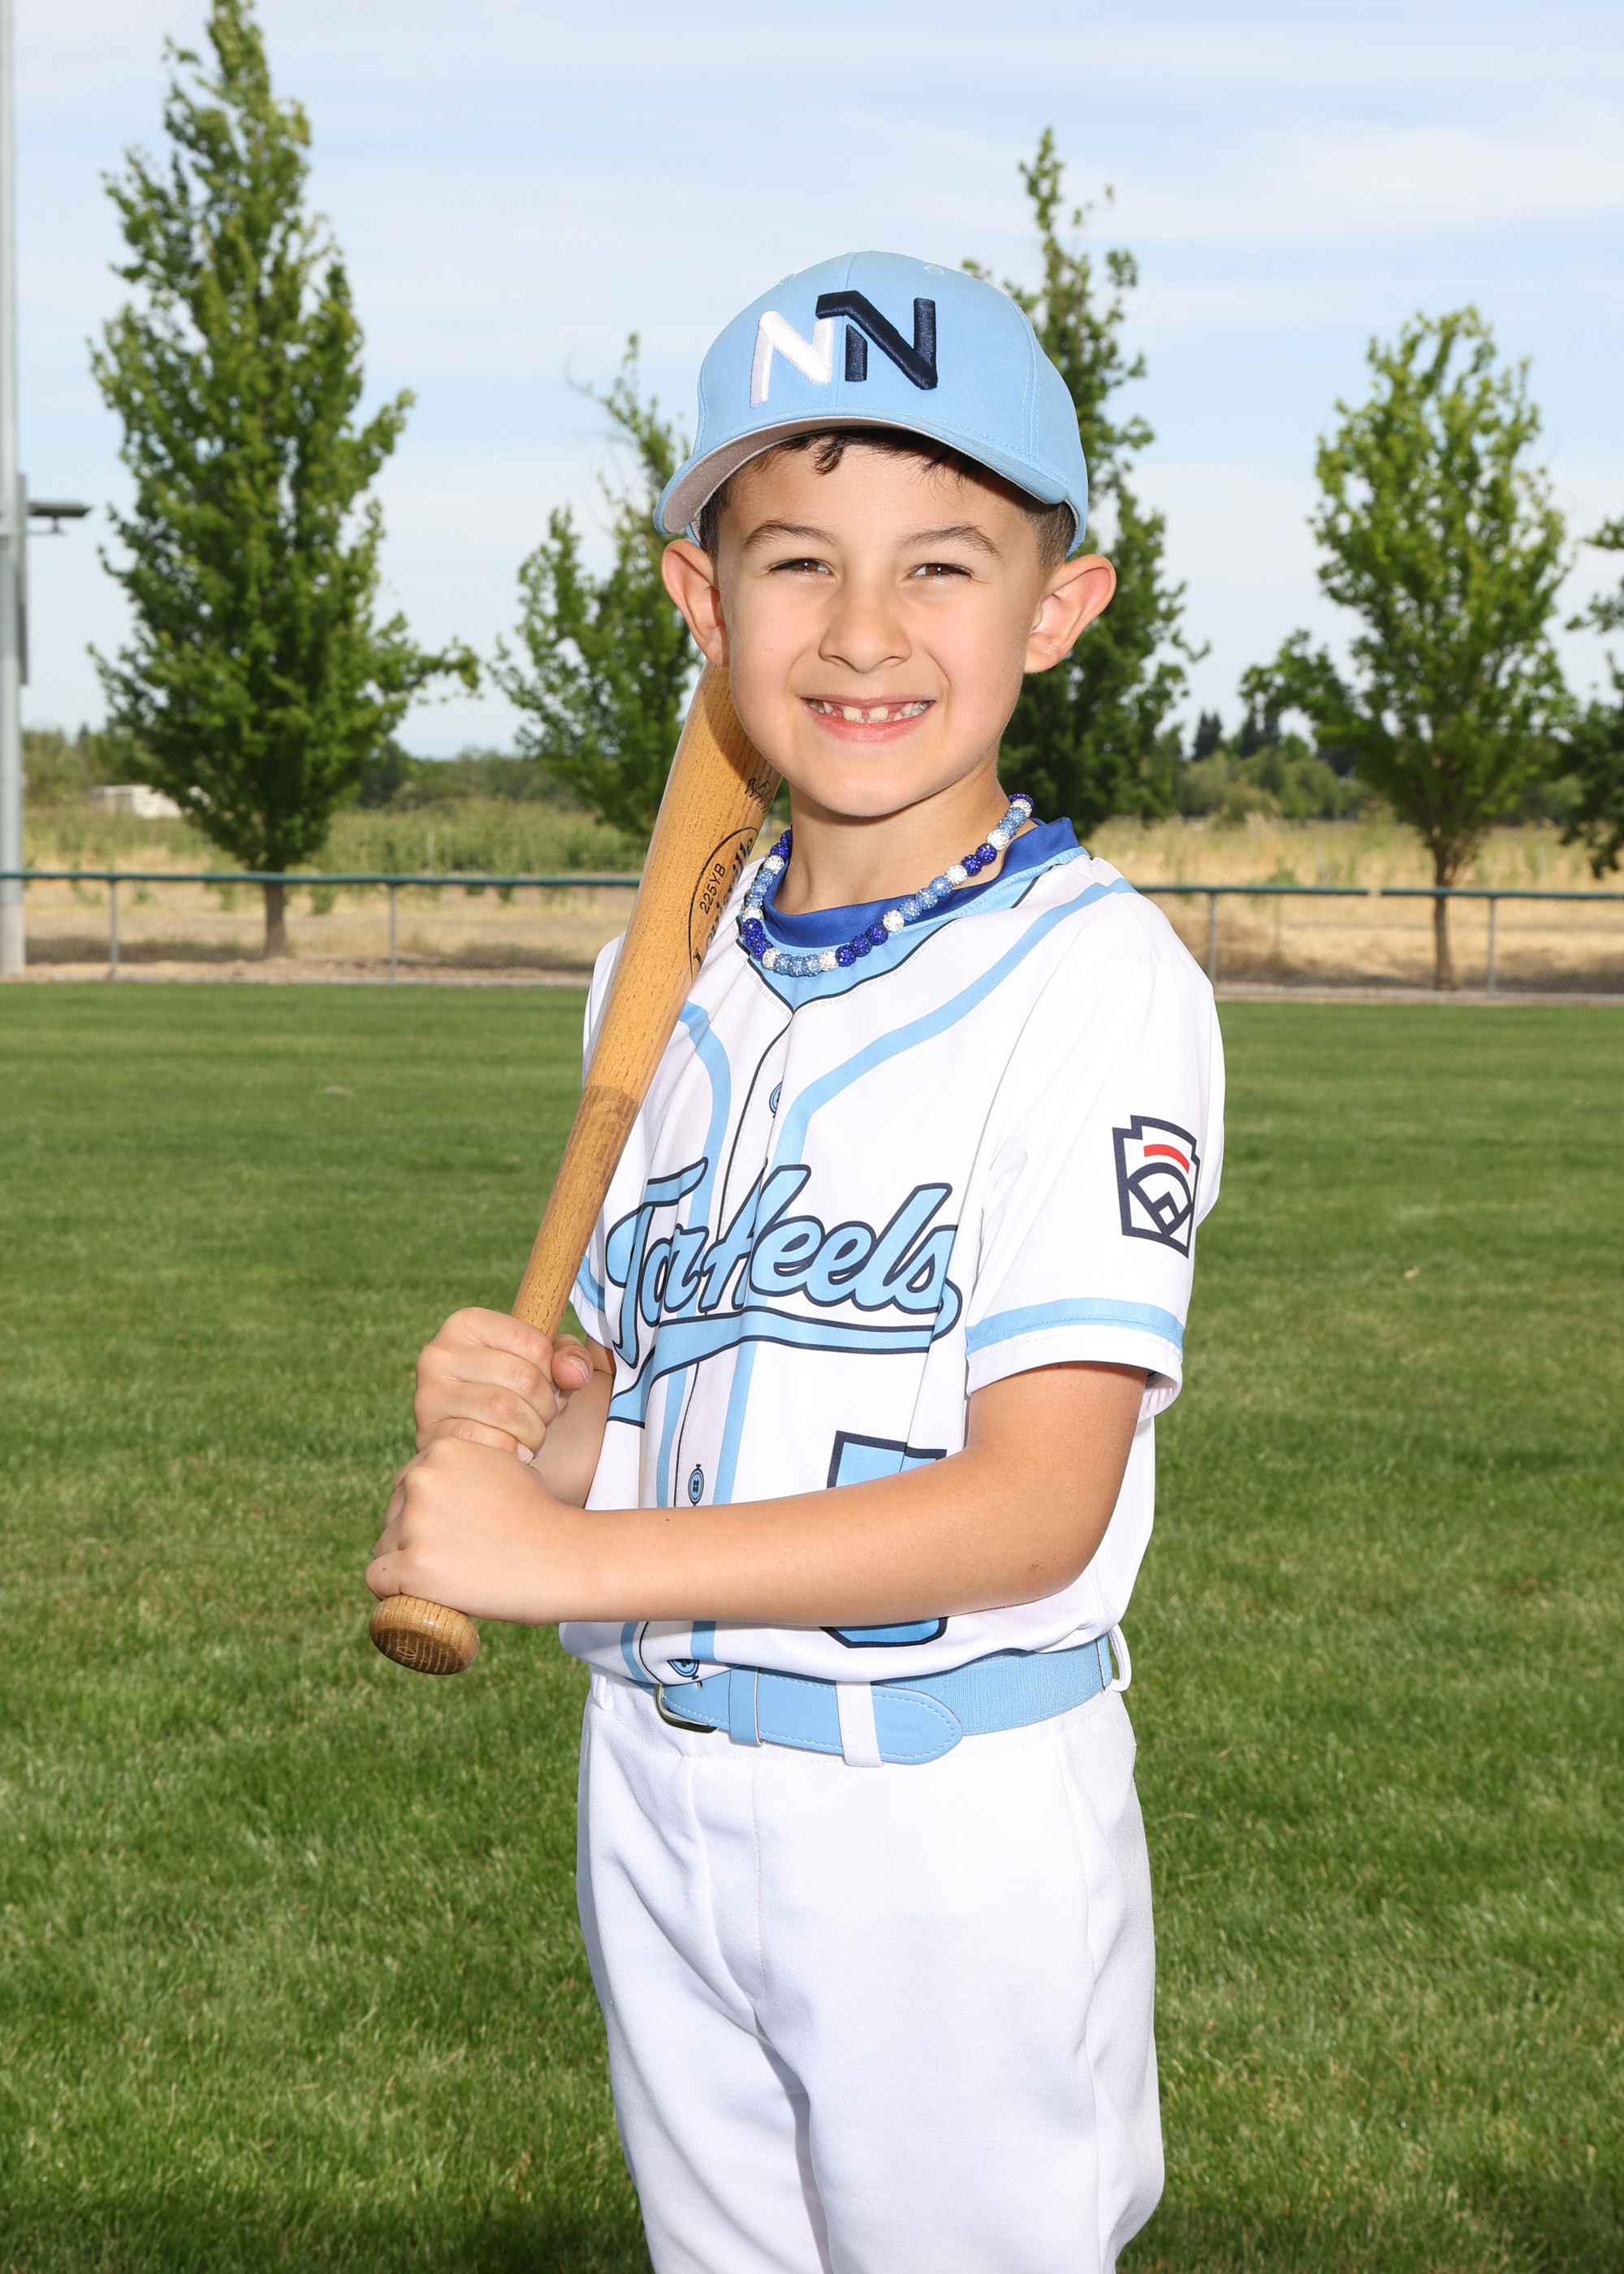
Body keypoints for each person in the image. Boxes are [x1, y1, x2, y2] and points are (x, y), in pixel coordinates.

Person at [368, 252, 1225, 2274]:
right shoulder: (655, 975)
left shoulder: (1097, 980)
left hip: (940, 1815)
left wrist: (559, 1563)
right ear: (701, 597)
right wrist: (546, 1441)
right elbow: (652, 1417)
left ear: (1059, 606)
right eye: (795, 563)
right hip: (659, 1789)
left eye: (941, 565)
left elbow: (1031, 1505)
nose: (861, 631)